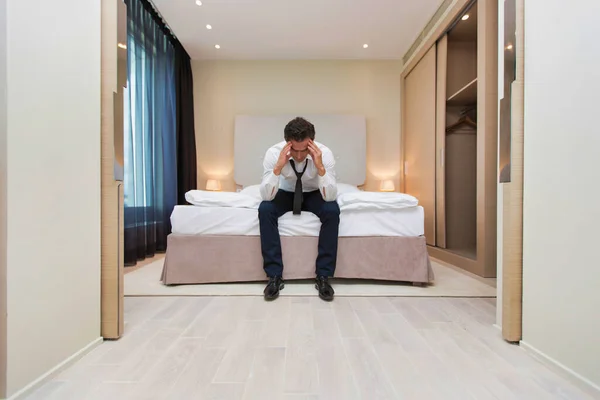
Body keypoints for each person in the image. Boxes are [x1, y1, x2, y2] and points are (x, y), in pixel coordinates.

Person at [258, 117, 340, 301]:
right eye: (295, 150)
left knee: (332, 210)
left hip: (314, 192)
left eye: (304, 151)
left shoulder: (324, 153)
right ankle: (274, 276)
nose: (300, 156)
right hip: (285, 192)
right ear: (288, 144)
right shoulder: (273, 153)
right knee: (265, 209)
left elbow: (330, 196)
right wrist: (278, 166)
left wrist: (319, 167)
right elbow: (266, 195)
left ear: (311, 142)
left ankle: (323, 276)